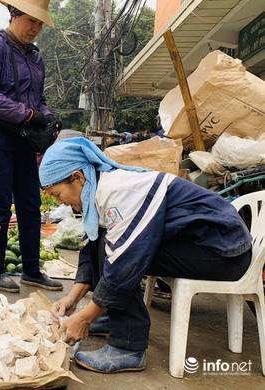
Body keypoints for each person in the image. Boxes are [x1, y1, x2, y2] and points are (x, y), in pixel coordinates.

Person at [39, 137, 252, 373]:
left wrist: (85, 318)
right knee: (103, 242)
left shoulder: (119, 191)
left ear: (78, 178)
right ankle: (113, 314)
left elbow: (124, 263)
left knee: (121, 257)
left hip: (224, 252)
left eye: (58, 194)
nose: (62, 203)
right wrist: (72, 300)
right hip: (197, 243)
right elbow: (93, 245)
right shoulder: (99, 189)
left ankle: (127, 345)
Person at [0, 0, 62, 293]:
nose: (35, 29)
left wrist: (47, 117)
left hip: (24, 138)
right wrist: (27, 114)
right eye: (31, 21)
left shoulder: (36, 57)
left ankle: (32, 271)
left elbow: (39, 100)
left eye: (39, 24)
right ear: (14, 14)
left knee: (30, 204)